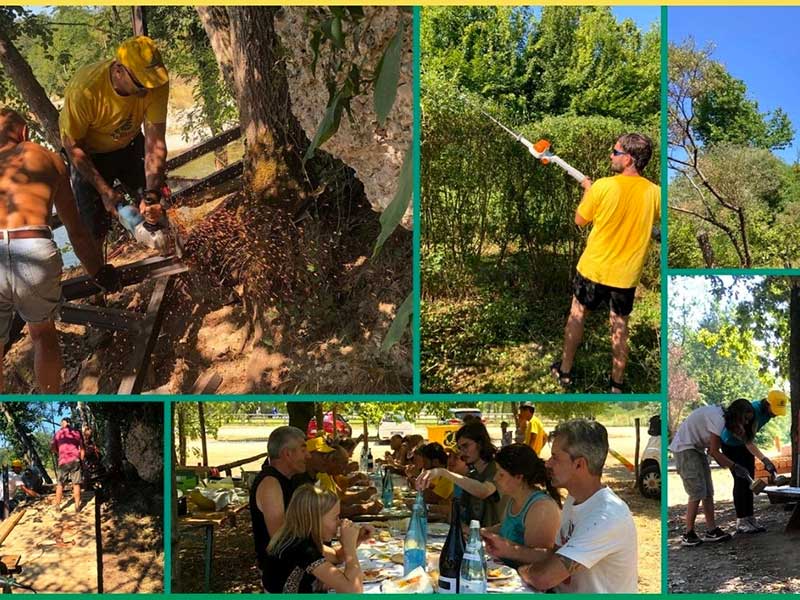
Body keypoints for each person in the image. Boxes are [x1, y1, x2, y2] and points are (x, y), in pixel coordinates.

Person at [0, 108, 116, 393]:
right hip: (35, 249)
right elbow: (75, 228)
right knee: (42, 335)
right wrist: (98, 272)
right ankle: (49, 395)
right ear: (24, 132)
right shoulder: (49, 158)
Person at [551, 133, 660, 393]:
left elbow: (580, 220)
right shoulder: (656, 193)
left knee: (577, 315)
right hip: (626, 276)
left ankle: (564, 372)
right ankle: (617, 385)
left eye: (615, 152)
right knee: (620, 325)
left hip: (593, 268)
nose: (611, 155)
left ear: (629, 159)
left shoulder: (602, 186)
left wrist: (589, 191)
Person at [483, 419, 638, 593]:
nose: (548, 463)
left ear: (579, 464)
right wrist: (508, 550)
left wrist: (522, 571)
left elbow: (543, 578)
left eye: (555, 457)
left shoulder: (606, 515)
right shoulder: (574, 499)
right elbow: (552, 555)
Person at [60, 36, 169, 248]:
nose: (147, 90)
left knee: (158, 203)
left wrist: (153, 194)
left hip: (129, 144)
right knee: (93, 225)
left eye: (151, 84)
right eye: (140, 84)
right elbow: (73, 147)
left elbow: (155, 142)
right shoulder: (85, 90)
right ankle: (102, 275)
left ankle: (172, 247)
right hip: (89, 154)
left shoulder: (155, 83)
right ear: (119, 70)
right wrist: (105, 191)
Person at [669, 399, 756, 546]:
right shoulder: (719, 420)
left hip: (697, 449)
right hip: (685, 448)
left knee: (708, 491)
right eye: (745, 419)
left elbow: (713, 449)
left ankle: (711, 530)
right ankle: (688, 533)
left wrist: (730, 464)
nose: (747, 423)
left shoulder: (724, 420)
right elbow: (715, 452)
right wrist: (735, 467)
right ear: (738, 414)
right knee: (697, 491)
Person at [264, 484, 369, 593]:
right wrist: (350, 548)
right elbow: (353, 592)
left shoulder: (298, 537)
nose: (339, 522)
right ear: (315, 519)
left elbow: (336, 556)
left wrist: (357, 539)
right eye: (335, 517)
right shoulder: (300, 548)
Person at [481, 444, 561, 567]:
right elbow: (508, 527)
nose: (495, 478)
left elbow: (541, 558)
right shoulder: (513, 498)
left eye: (501, 474)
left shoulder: (541, 508)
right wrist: (479, 532)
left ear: (518, 477)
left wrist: (509, 550)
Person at [721, 390, 788, 534]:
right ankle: (741, 521)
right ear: (768, 403)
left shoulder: (767, 413)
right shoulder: (750, 411)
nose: (776, 414)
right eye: (775, 410)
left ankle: (750, 518)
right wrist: (765, 460)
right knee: (741, 480)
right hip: (731, 445)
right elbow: (748, 441)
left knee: (751, 482)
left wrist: (766, 461)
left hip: (744, 445)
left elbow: (749, 441)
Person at [418, 421, 505, 527]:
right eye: (460, 448)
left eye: (466, 446)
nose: (463, 452)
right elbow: (459, 513)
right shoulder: (472, 473)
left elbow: (484, 491)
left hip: (490, 538)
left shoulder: (496, 468)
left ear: (480, 444)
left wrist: (445, 473)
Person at [250, 425, 308, 575]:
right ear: (287, 454)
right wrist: (325, 558)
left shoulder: (288, 479)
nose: (308, 455)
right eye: (303, 450)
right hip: (280, 576)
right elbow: (282, 540)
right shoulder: (271, 484)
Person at [297, 438, 381, 518]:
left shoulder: (316, 477)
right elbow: (329, 510)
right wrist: (363, 508)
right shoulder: (304, 481)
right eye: (322, 455)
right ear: (308, 456)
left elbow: (339, 499)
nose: (326, 460)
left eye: (326, 456)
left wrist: (361, 499)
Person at [51, 417, 84, 513]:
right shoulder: (77, 433)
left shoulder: (58, 434)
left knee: (60, 484)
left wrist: (59, 453)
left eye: (61, 423)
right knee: (76, 484)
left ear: (63, 423)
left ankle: (57, 506)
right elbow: (82, 449)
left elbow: (53, 448)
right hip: (75, 460)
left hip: (63, 461)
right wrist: (82, 461)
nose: (61, 425)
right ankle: (77, 506)